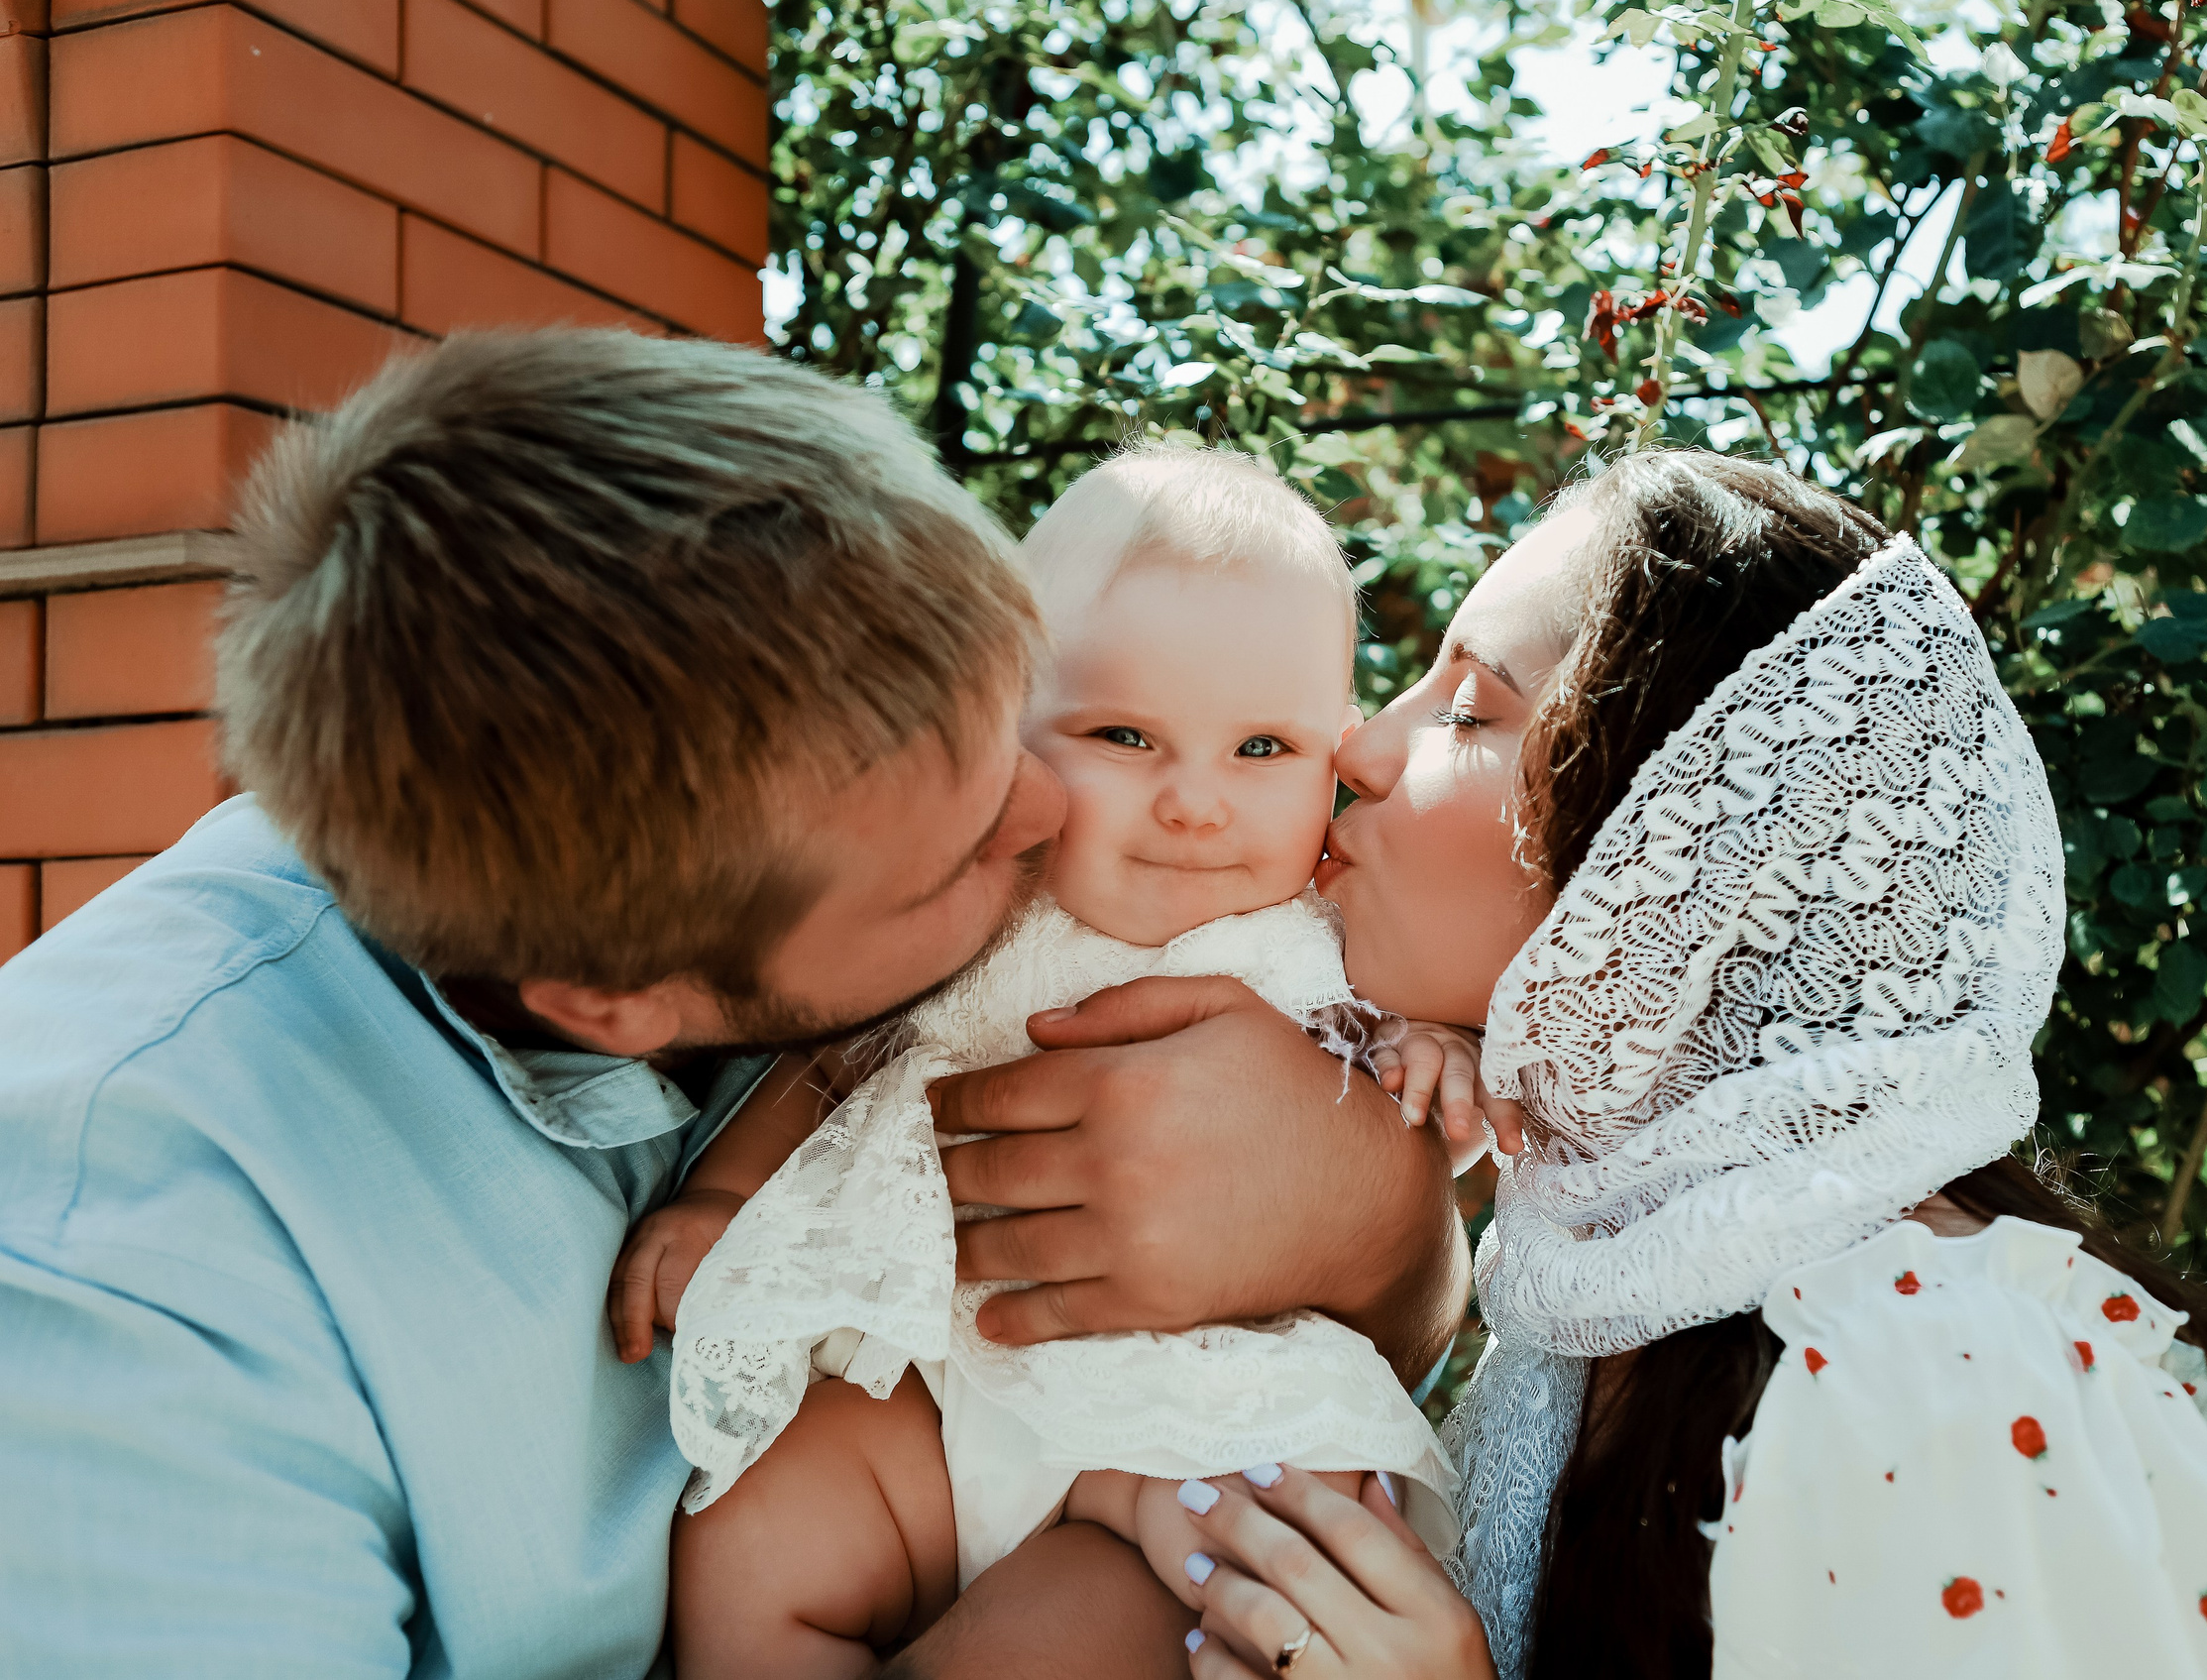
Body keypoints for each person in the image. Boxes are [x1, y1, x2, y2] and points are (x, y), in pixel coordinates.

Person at [0, 331, 1464, 1680]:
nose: (1056, 823)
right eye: (959, 855)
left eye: (1015, 710)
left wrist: (1381, 1222)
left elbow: (1388, 1282)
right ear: (622, 998)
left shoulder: (706, 836)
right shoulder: (118, 1291)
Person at [1146, 448, 2207, 1679]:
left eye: (1470, 711)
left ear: (1697, 855)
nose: (1357, 748)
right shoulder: (1610, 1277)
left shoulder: (1935, 1370)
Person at [638, 443, 1464, 1677]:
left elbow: (1398, 1089)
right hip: (913, 1378)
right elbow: (832, 1059)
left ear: (1336, 755)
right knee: (748, 1548)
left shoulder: (1328, 941)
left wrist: (1424, 1046)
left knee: (1084, 1629)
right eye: (1126, 735)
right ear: (1010, 732)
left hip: (1172, 1434)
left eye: (1262, 751)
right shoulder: (972, 902)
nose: (1195, 803)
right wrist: (716, 1197)